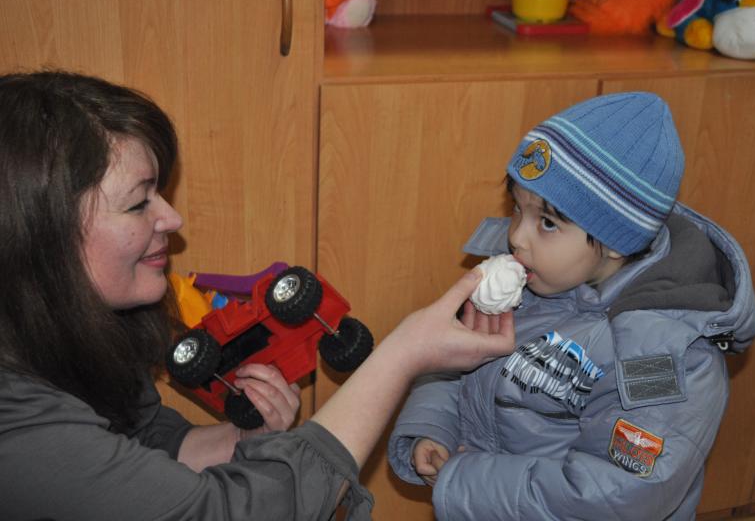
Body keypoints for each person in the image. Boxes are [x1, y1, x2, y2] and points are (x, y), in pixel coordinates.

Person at [0, 70, 516, 520]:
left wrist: (240, 442)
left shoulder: (67, 335)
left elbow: (142, 439)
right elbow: (224, 513)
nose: (171, 219)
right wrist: (401, 356)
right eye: (138, 204)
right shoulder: (18, 427)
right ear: (41, 237)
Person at [388, 92, 755, 520]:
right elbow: (453, 361)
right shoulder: (531, 277)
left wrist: (465, 481)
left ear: (616, 241)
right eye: (517, 209)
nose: (516, 237)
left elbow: (617, 493)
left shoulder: (663, 358)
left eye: (547, 223)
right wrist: (432, 428)